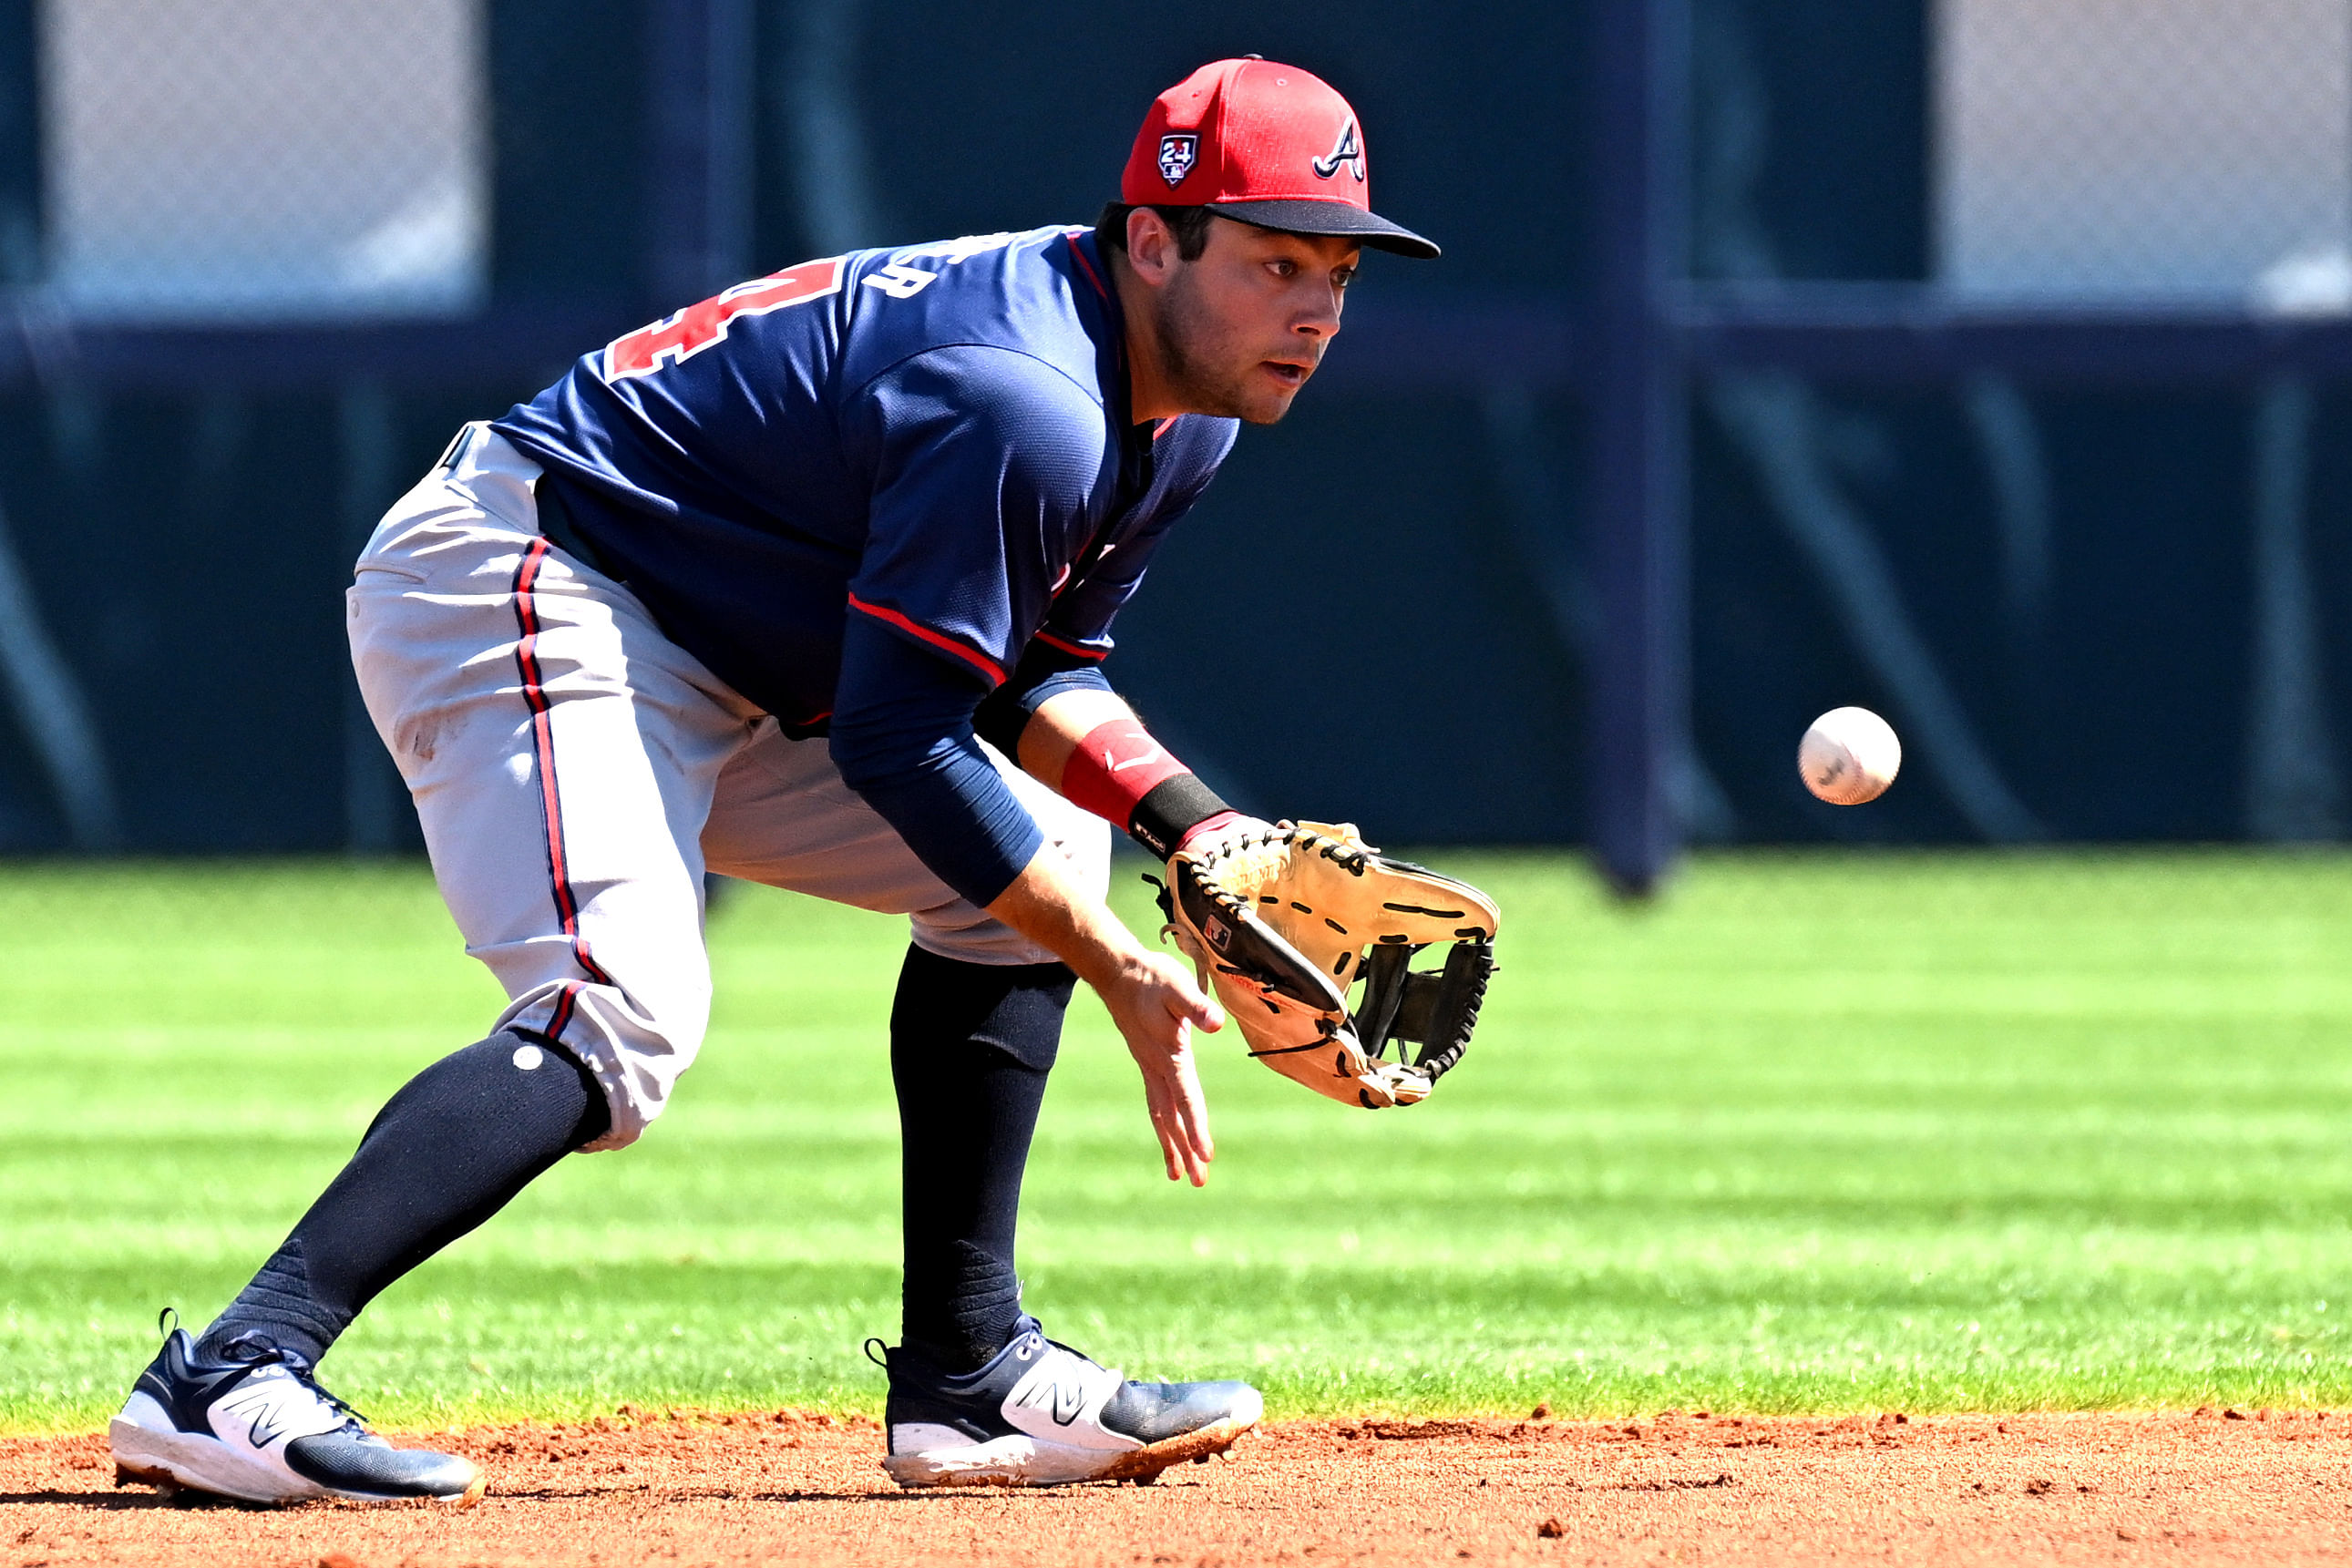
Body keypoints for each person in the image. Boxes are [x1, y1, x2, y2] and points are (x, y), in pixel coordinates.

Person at [108, 56, 1438, 1502]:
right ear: (1148, 240)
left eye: (1338, 272)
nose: (1314, 309)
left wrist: (1194, 826)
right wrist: (1114, 953)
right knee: (620, 1005)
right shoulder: (1024, 394)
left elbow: (1028, 663)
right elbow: (898, 737)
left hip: (719, 647)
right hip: (532, 577)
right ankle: (230, 1367)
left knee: (1037, 842)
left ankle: (968, 1375)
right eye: (1272, 261)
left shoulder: (1185, 413)